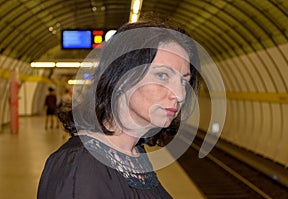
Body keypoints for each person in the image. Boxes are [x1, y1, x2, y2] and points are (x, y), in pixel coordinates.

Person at [38, 15, 201, 199]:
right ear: (122, 78)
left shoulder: (134, 154)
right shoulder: (80, 166)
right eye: (162, 76)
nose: (179, 94)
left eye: (184, 81)